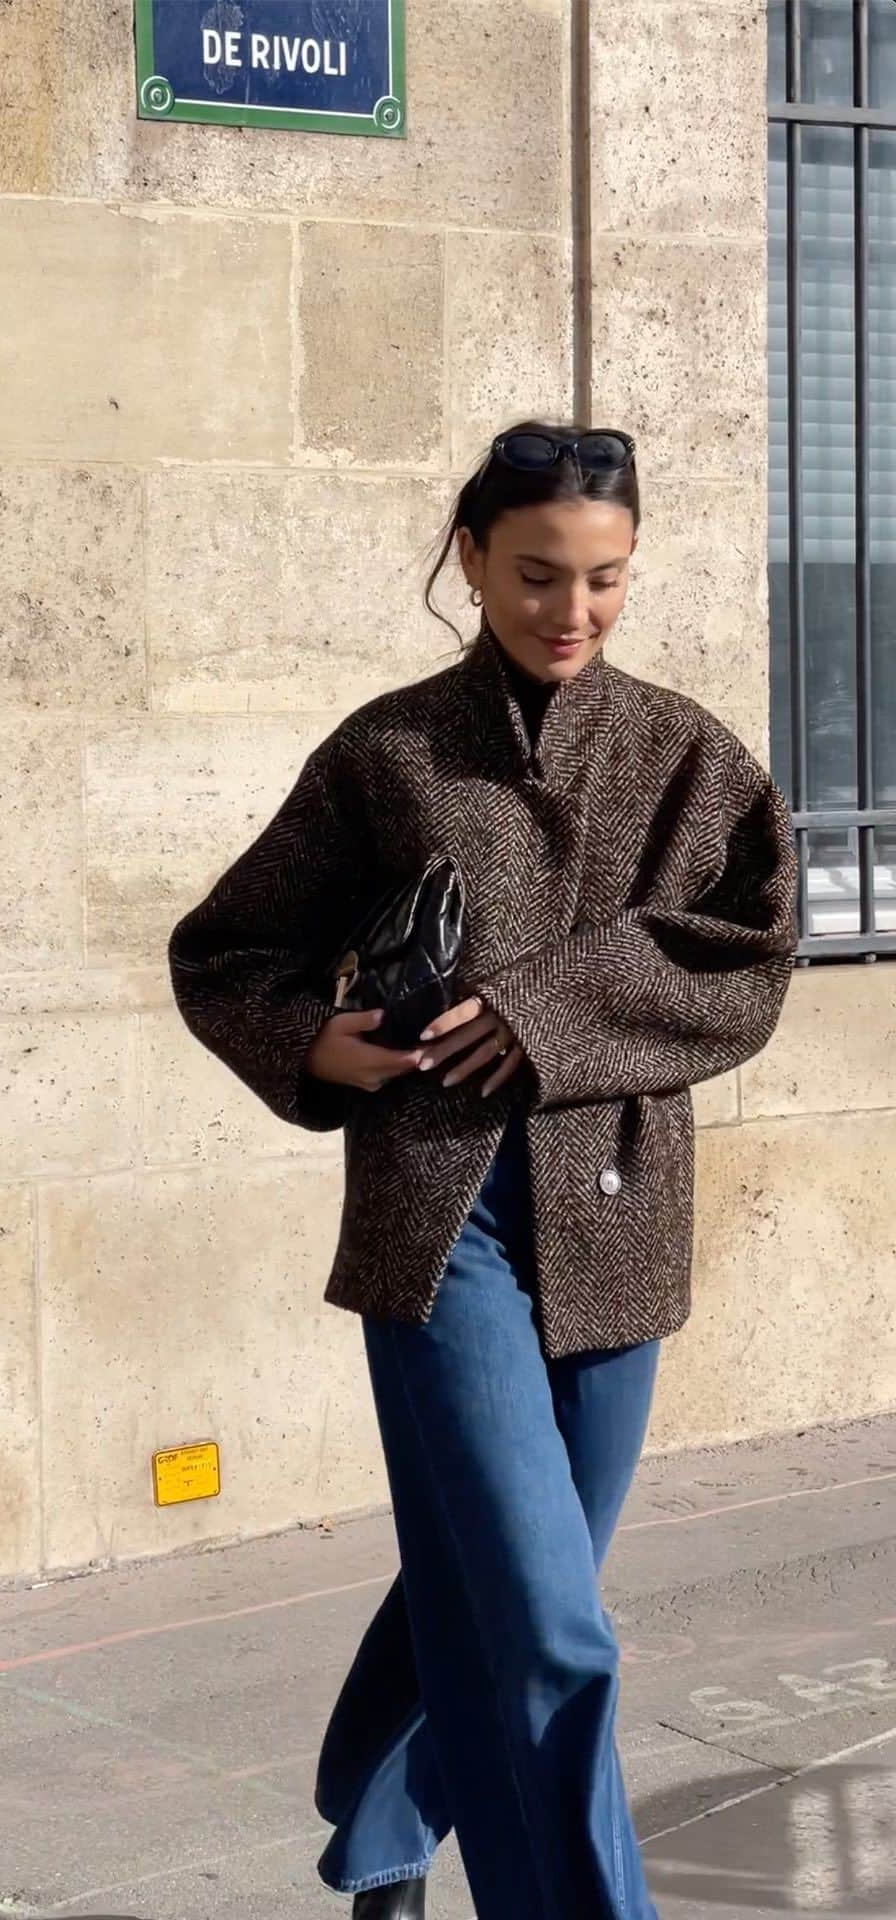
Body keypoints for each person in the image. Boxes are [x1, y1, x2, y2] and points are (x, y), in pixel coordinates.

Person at [168, 421, 799, 1920]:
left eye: (605, 581)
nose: (569, 612)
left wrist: (544, 1014)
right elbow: (225, 949)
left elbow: (750, 967)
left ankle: (386, 1821)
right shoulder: (388, 752)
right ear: (468, 555)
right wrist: (314, 1046)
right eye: (535, 575)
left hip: (618, 1226)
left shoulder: (687, 754)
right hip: (436, 1224)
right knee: (550, 1624)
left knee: (514, 1592)